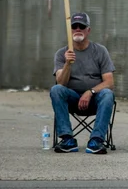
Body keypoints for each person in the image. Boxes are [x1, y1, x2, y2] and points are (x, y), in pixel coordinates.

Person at [50, 12, 116, 154]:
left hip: (95, 101)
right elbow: (61, 82)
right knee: (56, 90)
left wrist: (90, 92)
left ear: (88, 30)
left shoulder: (100, 51)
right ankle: (67, 139)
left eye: (82, 26)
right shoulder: (61, 53)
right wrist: (68, 63)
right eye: (74, 26)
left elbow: (109, 82)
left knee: (107, 93)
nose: (78, 29)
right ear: (70, 30)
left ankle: (96, 140)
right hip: (72, 100)